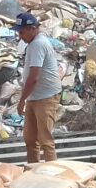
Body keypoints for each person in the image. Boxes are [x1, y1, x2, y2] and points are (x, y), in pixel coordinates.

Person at [15, 12, 62, 163]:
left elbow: (34, 77)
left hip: (46, 97)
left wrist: (22, 100)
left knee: (45, 140)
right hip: (34, 96)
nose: (20, 36)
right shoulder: (32, 44)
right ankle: (33, 170)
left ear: (32, 29)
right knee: (30, 139)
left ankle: (52, 172)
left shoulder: (38, 44)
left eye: (22, 32)